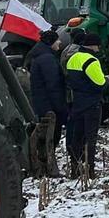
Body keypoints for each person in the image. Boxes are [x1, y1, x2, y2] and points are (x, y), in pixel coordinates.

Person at [65, 30, 106, 177]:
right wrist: (108, 80)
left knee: (77, 136)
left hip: (77, 103)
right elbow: (100, 83)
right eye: (98, 46)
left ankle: (75, 168)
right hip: (92, 104)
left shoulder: (73, 58)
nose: (99, 49)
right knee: (90, 138)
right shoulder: (91, 61)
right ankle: (90, 170)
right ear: (93, 46)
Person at [28, 29, 68, 176]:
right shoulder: (47, 59)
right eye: (57, 40)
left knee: (45, 137)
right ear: (51, 42)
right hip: (49, 106)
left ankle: (43, 167)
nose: (60, 42)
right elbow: (54, 86)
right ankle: (48, 169)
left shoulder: (41, 55)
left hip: (42, 104)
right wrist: (60, 108)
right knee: (50, 137)